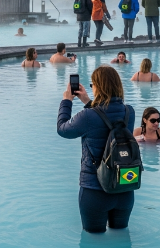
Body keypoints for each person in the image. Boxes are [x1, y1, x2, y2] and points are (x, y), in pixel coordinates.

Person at [57, 65, 136, 233]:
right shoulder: (129, 112)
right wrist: (88, 102)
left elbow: (63, 130)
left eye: (93, 85)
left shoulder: (87, 116)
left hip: (95, 191)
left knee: (94, 241)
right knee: (122, 238)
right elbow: (108, 119)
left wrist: (66, 101)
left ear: (99, 87)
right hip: (125, 188)